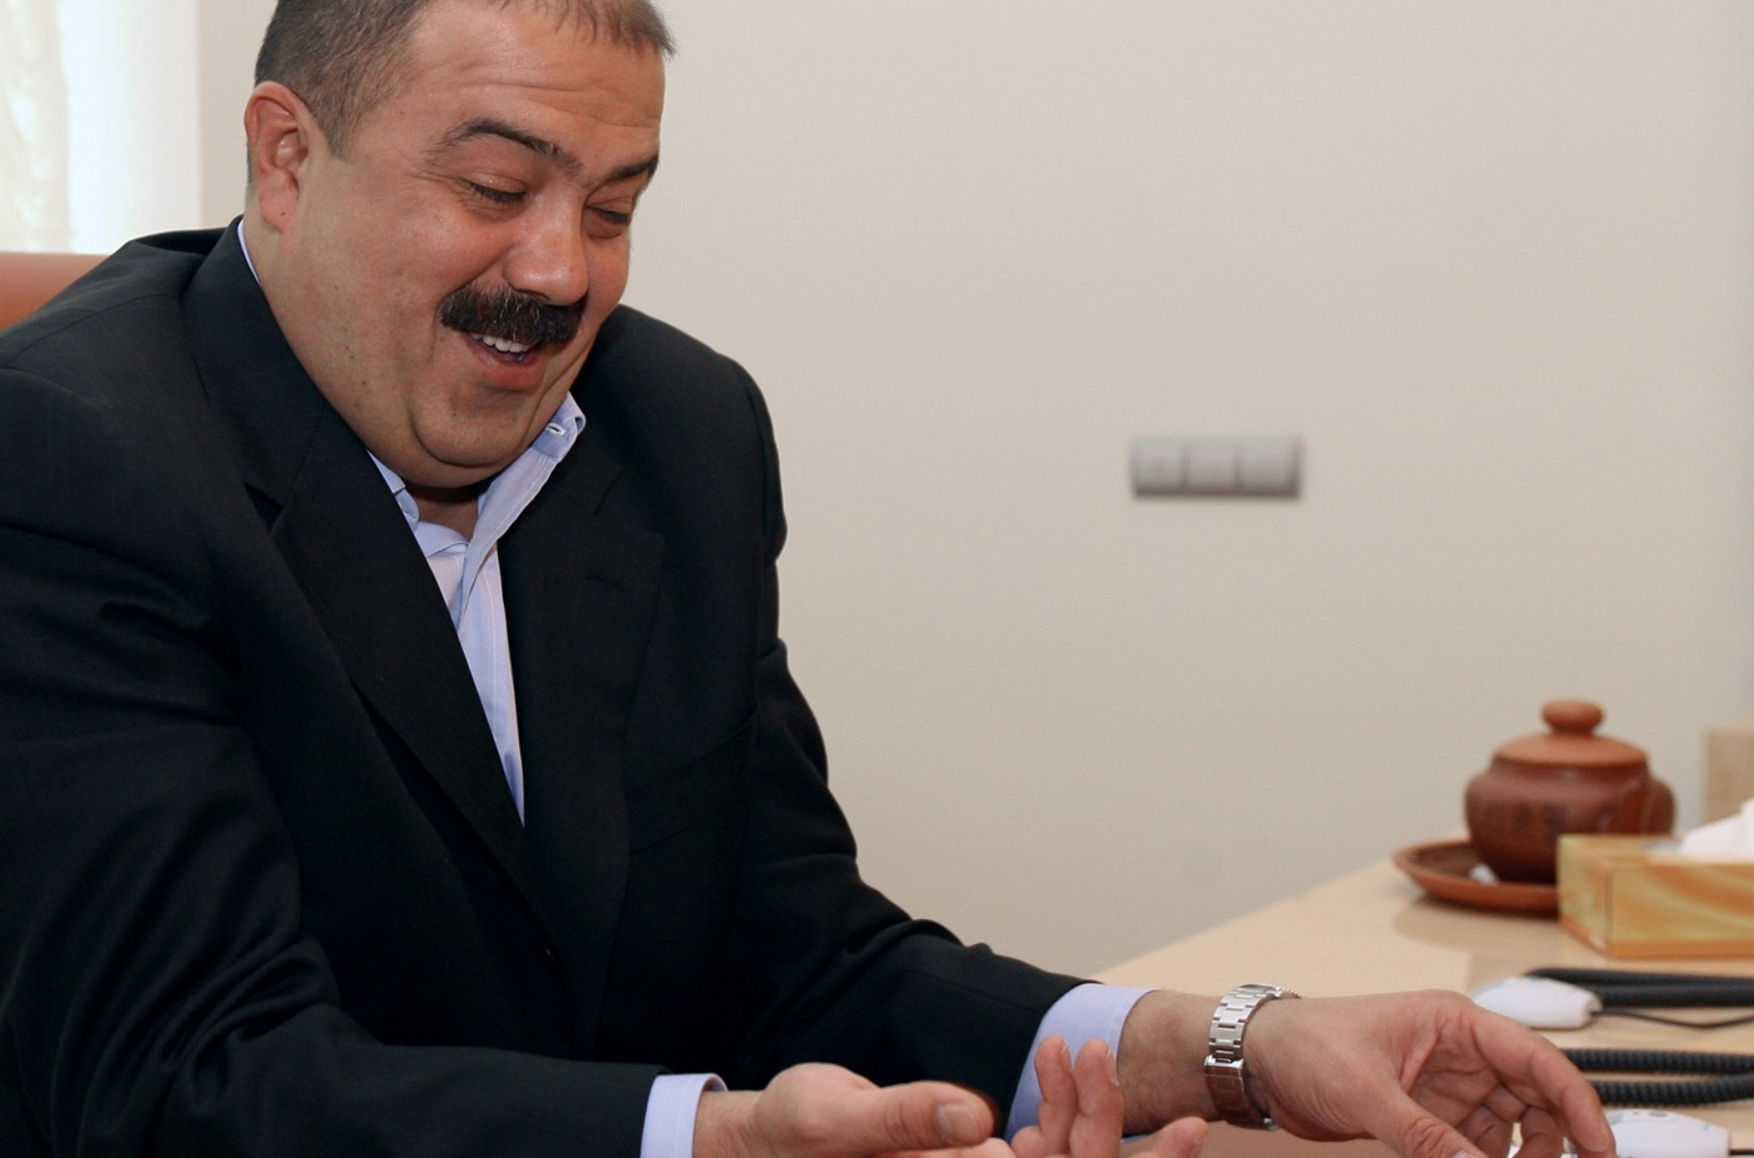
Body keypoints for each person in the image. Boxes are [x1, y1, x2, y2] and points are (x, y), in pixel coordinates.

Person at [0, 2, 1615, 1158]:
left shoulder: (676, 430)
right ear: (287, 158)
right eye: (496, 190)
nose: (559, 272)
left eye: (614, 206)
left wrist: (1229, 1045)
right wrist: (703, 1133)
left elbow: (803, 957)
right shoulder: (74, 458)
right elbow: (181, 1082)